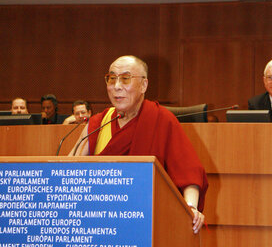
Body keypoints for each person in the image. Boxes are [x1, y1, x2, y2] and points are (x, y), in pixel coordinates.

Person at [70, 55, 208, 234]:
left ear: (144, 85)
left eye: (125, 78)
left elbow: (188, 171)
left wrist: (191, 207)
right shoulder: (98, 123)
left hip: (149, 220)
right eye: (112, 79)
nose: (117, 86)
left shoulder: (161, 119)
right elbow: (69, 169)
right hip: (100, 221)